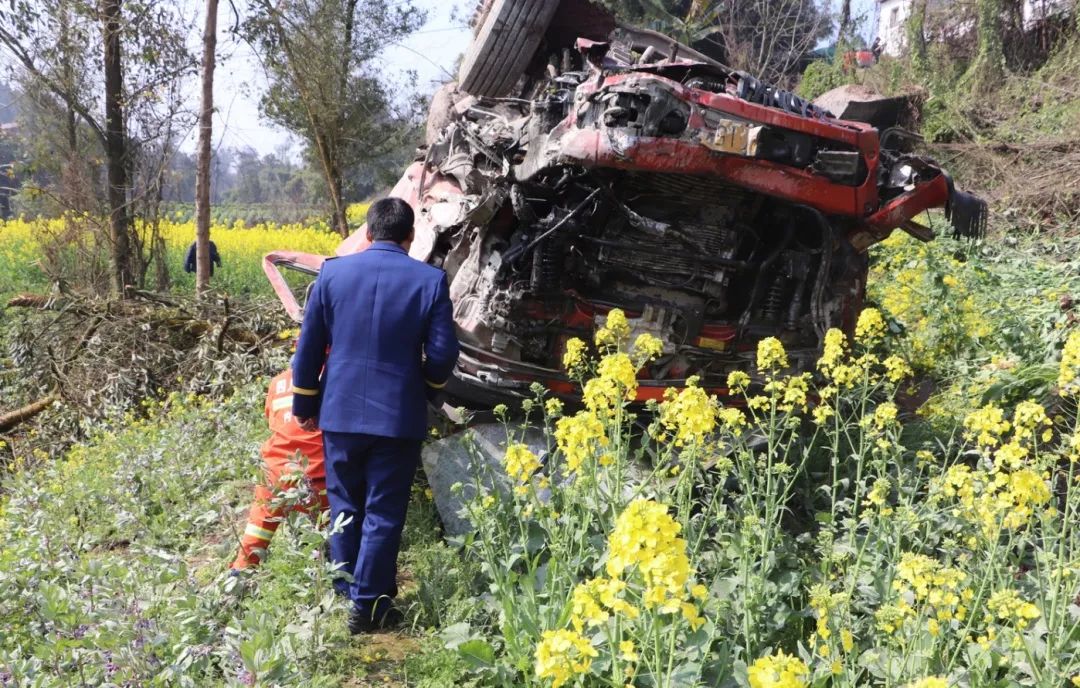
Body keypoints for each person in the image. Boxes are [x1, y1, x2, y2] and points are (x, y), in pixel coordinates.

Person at [291, 197, 460, 634]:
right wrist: (427, 390)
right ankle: (368, 605)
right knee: (384, 511)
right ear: (411, 238)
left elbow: (308, 348)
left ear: (368, 232)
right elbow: (442, 354)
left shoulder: (333, 273)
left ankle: (348, 592)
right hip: (397, 417)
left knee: (345, 503)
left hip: (340, 412)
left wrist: (305, 403)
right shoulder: (430, 281)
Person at [231, 367, 328, 571]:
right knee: (336, 539)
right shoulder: (337, 375)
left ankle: (237, 578)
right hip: (319, 480)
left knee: (256, 532)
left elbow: (273, 422)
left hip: (274, 474)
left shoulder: (278, 382)